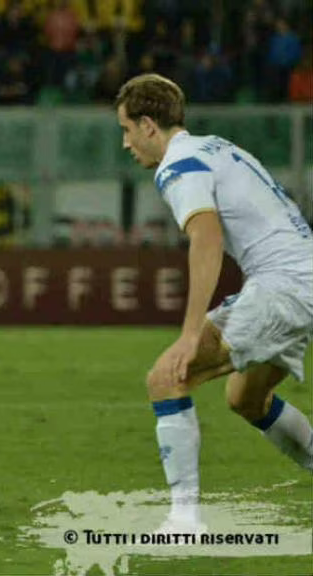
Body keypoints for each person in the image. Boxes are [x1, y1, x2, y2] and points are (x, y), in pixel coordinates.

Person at [114, 73, 313, 533]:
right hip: (300, 277)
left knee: (167, 378)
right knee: (247, 398)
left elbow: (206, 238)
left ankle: (184, 522)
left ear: (148, 126)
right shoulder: (216, 147)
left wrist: (189, 335)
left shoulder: (178, 165)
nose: (125, 143)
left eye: (126, 130)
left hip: (284, 287)